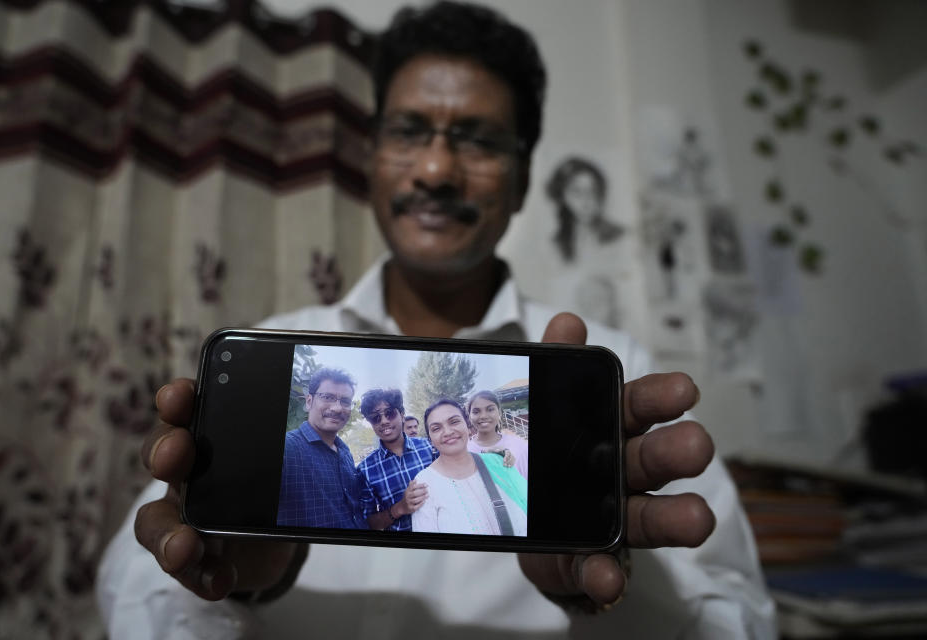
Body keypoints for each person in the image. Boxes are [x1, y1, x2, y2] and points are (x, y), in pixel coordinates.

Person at [97, 2, 776, 638]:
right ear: (372, 156)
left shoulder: (614, 377)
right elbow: (129, 598)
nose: (436, 168)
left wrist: (600, 582)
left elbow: (741, 617)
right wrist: (235, 585)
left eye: (478, 141)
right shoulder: (278, 348)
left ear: (521, 179)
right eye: (409, 131)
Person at [413, 399, 527, 535]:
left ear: (468, 426)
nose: (448, 432)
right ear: (430, 440)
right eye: (436, 428)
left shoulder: (497, 462)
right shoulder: (425, 483)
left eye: (454, 421)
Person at [275, 368, 366, 529]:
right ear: (309, 401)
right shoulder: (287, 449)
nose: (337, 408)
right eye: (327, 397)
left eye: (345, 401)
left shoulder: (345, 452)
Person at [356, 388, 436, 531]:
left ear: (402, 415)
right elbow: (368, 523)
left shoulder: (429, 448)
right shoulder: (365, 470)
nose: (384, 421)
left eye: (390, 413)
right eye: (376, 418)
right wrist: (400, 508)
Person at [546, 156, 623, 263]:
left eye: (592, 190)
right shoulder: (556, 245)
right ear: (562, 196)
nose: (586, 200)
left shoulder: (619, 237)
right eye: (577, 192)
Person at [466, 389, 528, 479]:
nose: (483, 416)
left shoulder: (519, 446)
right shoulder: (465, 450)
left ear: (499, 412)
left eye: (490, 409)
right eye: (476, 412)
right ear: (470, 416)